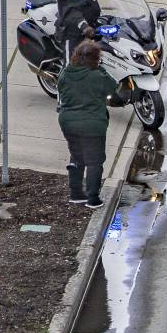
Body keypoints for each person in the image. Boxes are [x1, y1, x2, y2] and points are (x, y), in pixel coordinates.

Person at [57, 40, 118, 209]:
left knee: (77, 156)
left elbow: (60, 88)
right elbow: (113, 87)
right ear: (95, 59)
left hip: (68, 122)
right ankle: (93, 198)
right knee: (94, 161)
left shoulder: (66, 73)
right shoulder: (97, 75)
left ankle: (76, 194)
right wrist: (101, 69)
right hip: (93, 124)